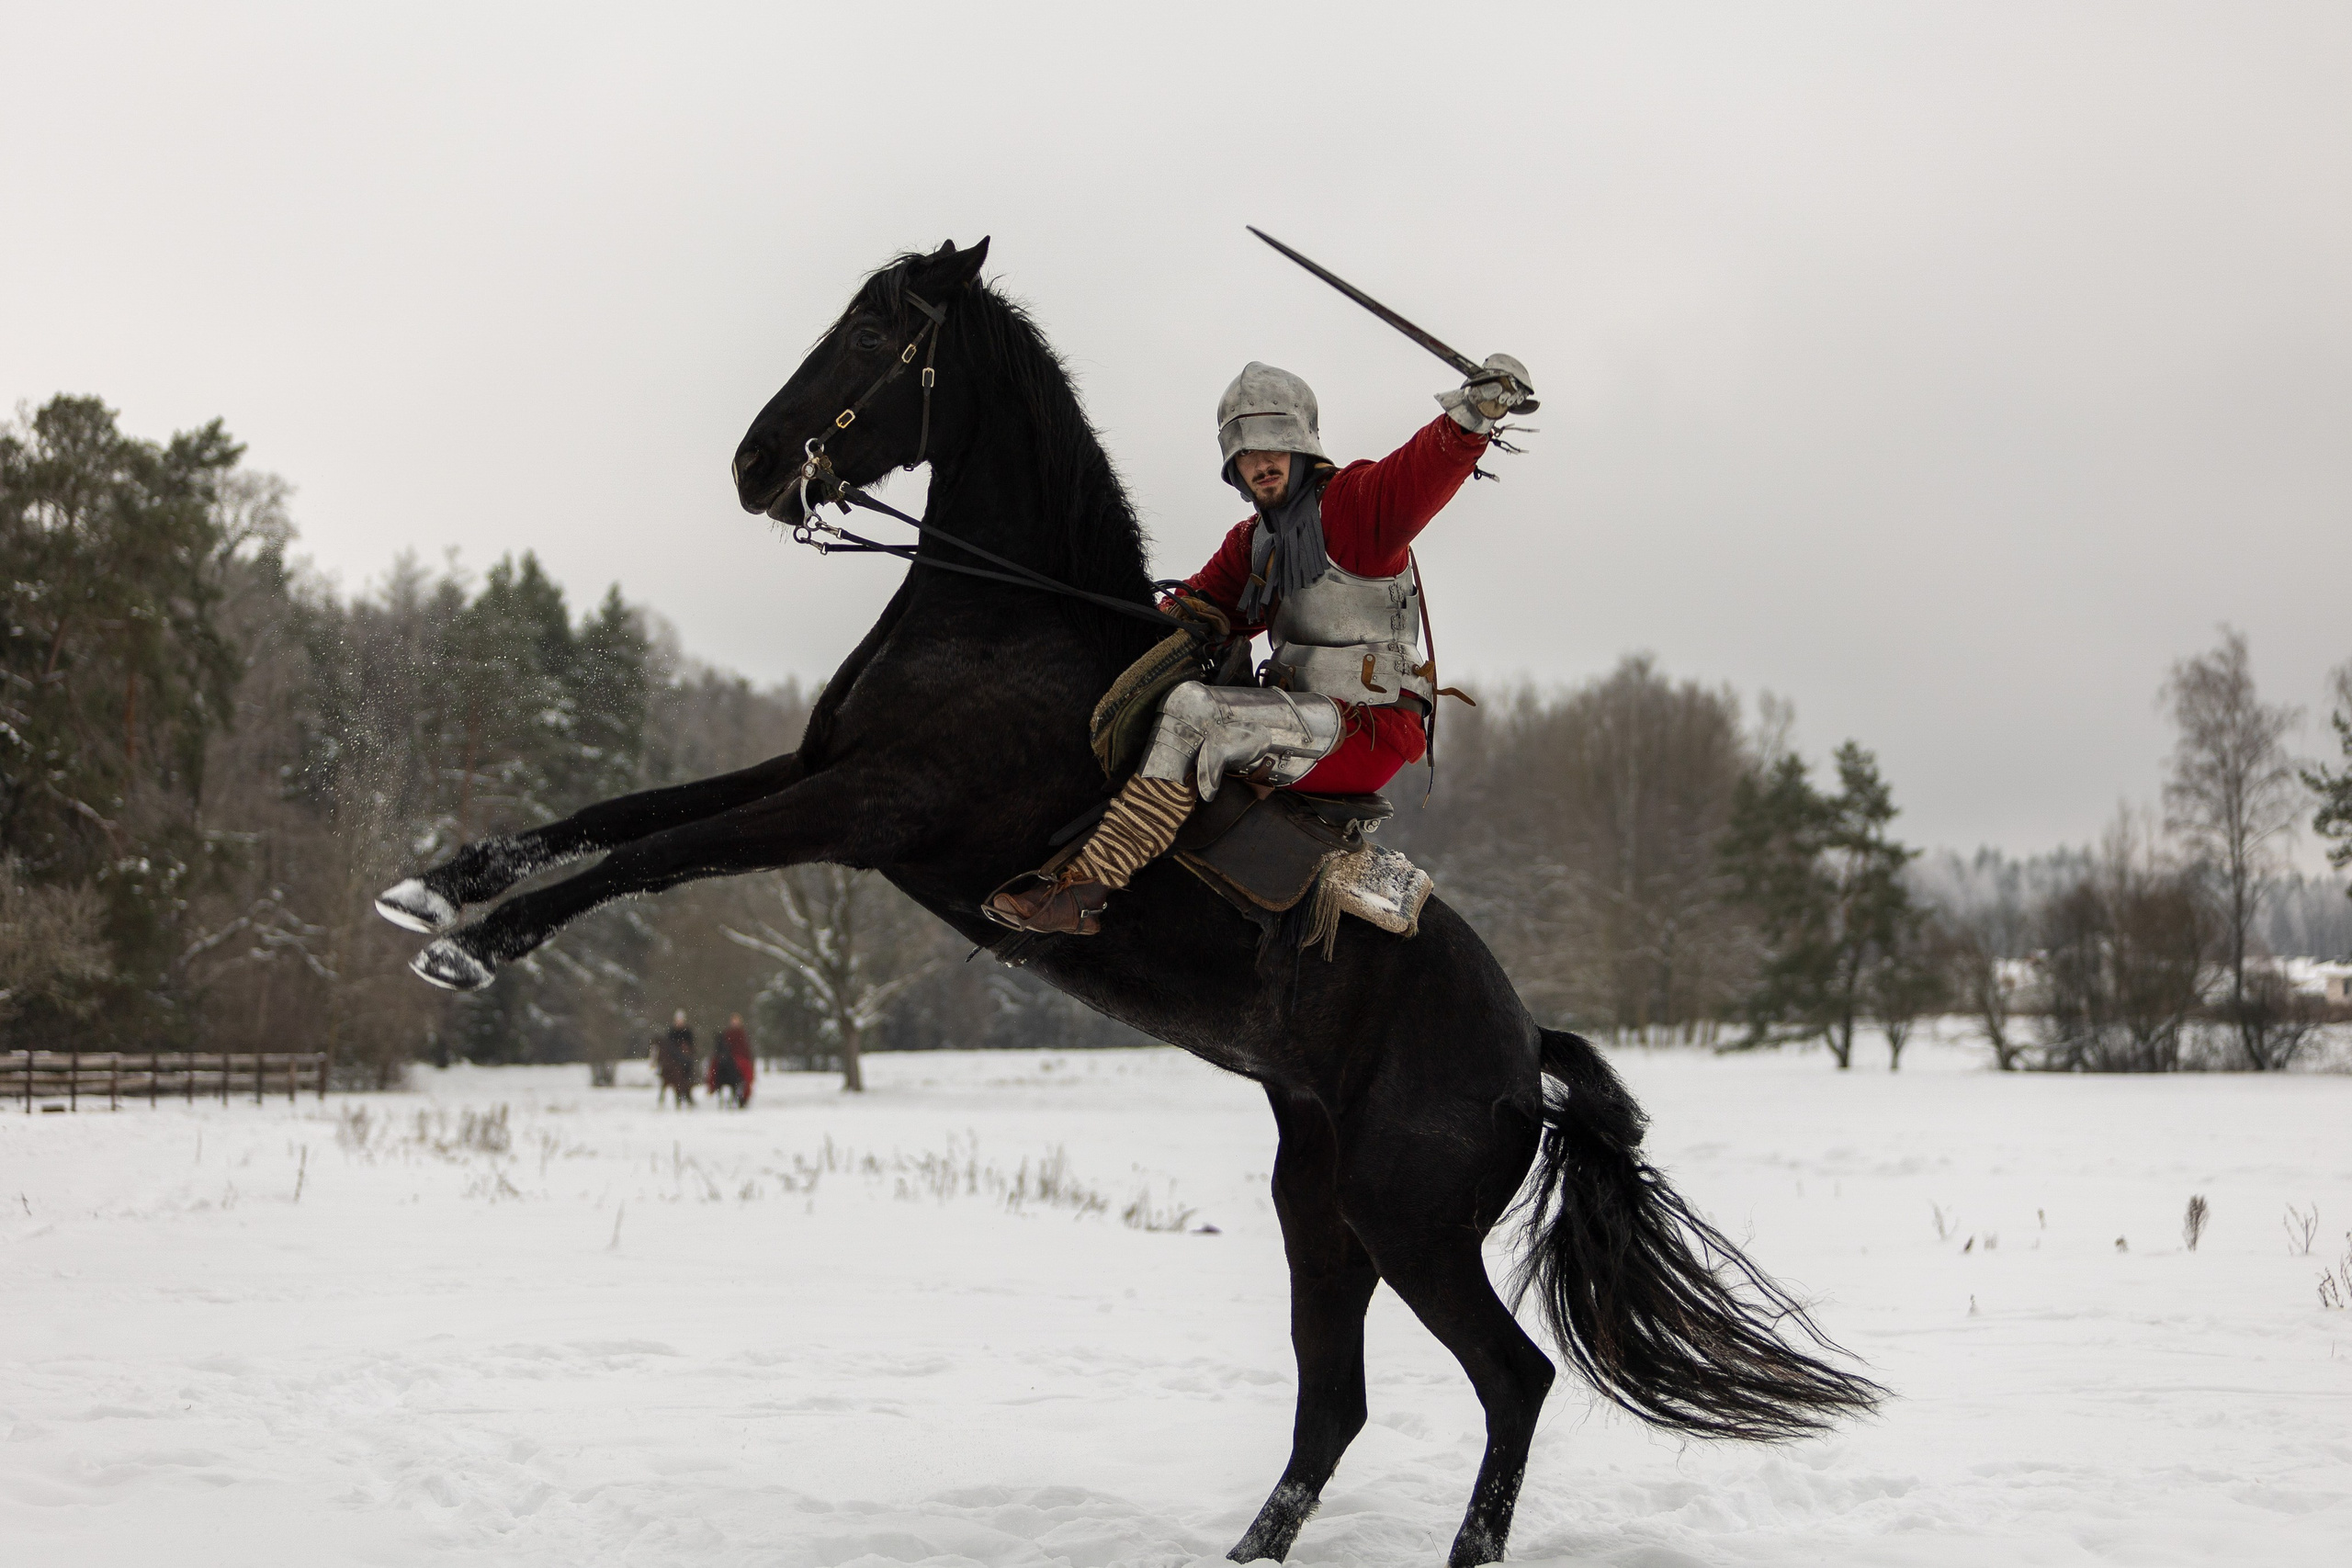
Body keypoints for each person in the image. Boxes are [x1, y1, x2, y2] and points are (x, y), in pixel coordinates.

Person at [987, 355, 1529, 936]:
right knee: (1158, 701)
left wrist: (1476, 411)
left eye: (1274, 444)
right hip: (1305, 718)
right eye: (1246, 452)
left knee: (1195, 711)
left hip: (1368, 727)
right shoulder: (1252, 543)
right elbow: (1187, 615)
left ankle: (1086, 891)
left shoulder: (1353, 506)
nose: (1261, 462)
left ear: (1302, 446)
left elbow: (1421, 469)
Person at [712, 1013, 755, 1107]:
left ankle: (745, 1091)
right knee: (714, 1065)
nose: (735, 1023)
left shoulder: (742, 1034)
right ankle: (712, 1085)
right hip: (729, 1056)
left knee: (745, 1069)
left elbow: (745, 1048)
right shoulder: (727, 1033)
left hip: (739, 1056)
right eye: (733, 1021)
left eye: (736, 1021)